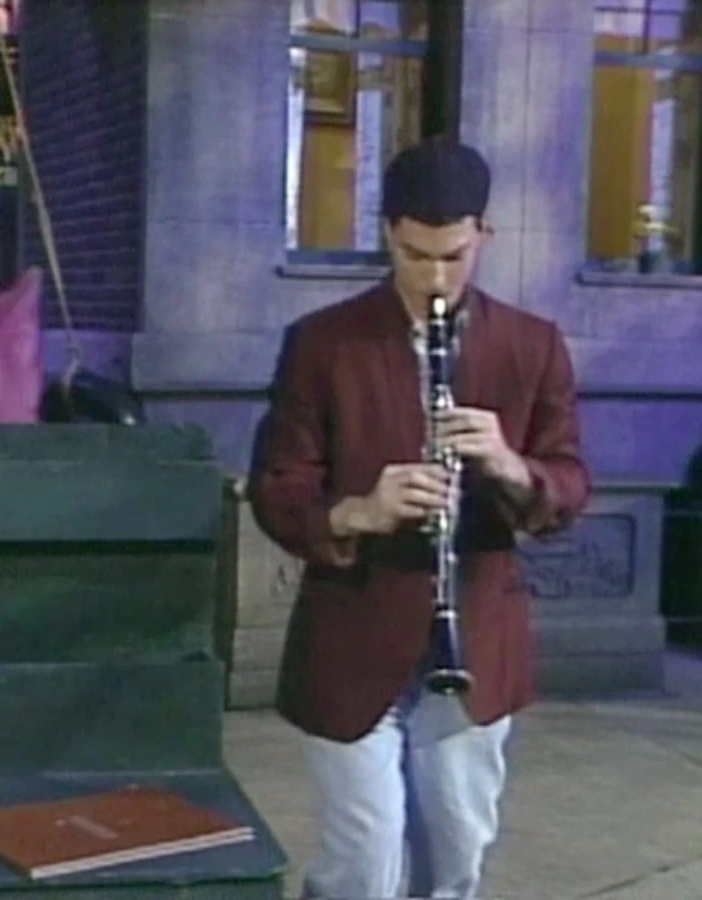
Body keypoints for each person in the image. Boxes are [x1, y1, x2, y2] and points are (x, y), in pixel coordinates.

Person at [247, 138, 592, 900]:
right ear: (386, 233)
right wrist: (358, 511)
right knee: (364, 868)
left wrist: (507, 464)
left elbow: (569, 483)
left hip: (475, 640)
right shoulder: (322, 343)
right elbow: (276, 486)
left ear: (483, 235)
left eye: (453, 257)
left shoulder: (531, 345)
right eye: (413, 256)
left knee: (455, 859)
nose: (434, 277)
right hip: (352, 635)